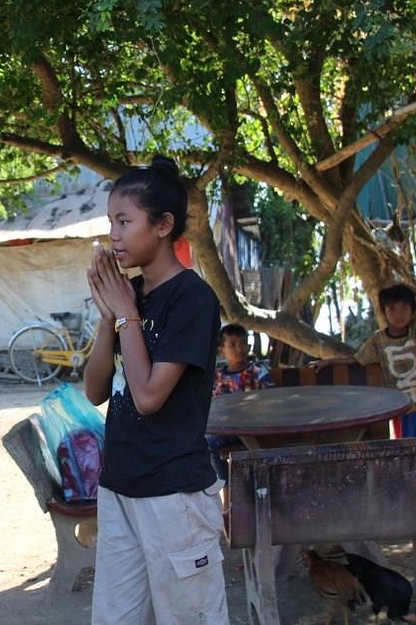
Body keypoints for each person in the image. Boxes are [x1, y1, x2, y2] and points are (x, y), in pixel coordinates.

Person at [83, 156, 229, 624]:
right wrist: (109, 317)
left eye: (125, 222)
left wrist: (127, 313)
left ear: (163, 225)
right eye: (111, 222)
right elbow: (94, 391)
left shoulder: (192, 298)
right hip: (120, 486)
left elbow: (148, 398)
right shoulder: (131, 296)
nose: (114, 235)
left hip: (174, 496)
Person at [313, 283, 416, 438]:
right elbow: (357, 359)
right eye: (392, 309)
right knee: (405, 442)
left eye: (404, 308)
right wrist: (329, 362)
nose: (398, 315)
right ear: (384, 312)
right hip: (402, 404)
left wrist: (408, 287)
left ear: (412, 310)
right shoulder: (379, 340)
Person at [205, 323, 275, 482]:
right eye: (233, 345)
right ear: (221, 351)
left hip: (255, 428)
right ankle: (225, 485)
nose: (239, 348)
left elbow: (271, 399)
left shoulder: (258, 372)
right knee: (208, 443)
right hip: (228, 430)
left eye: (243, 343)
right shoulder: (217, 378)